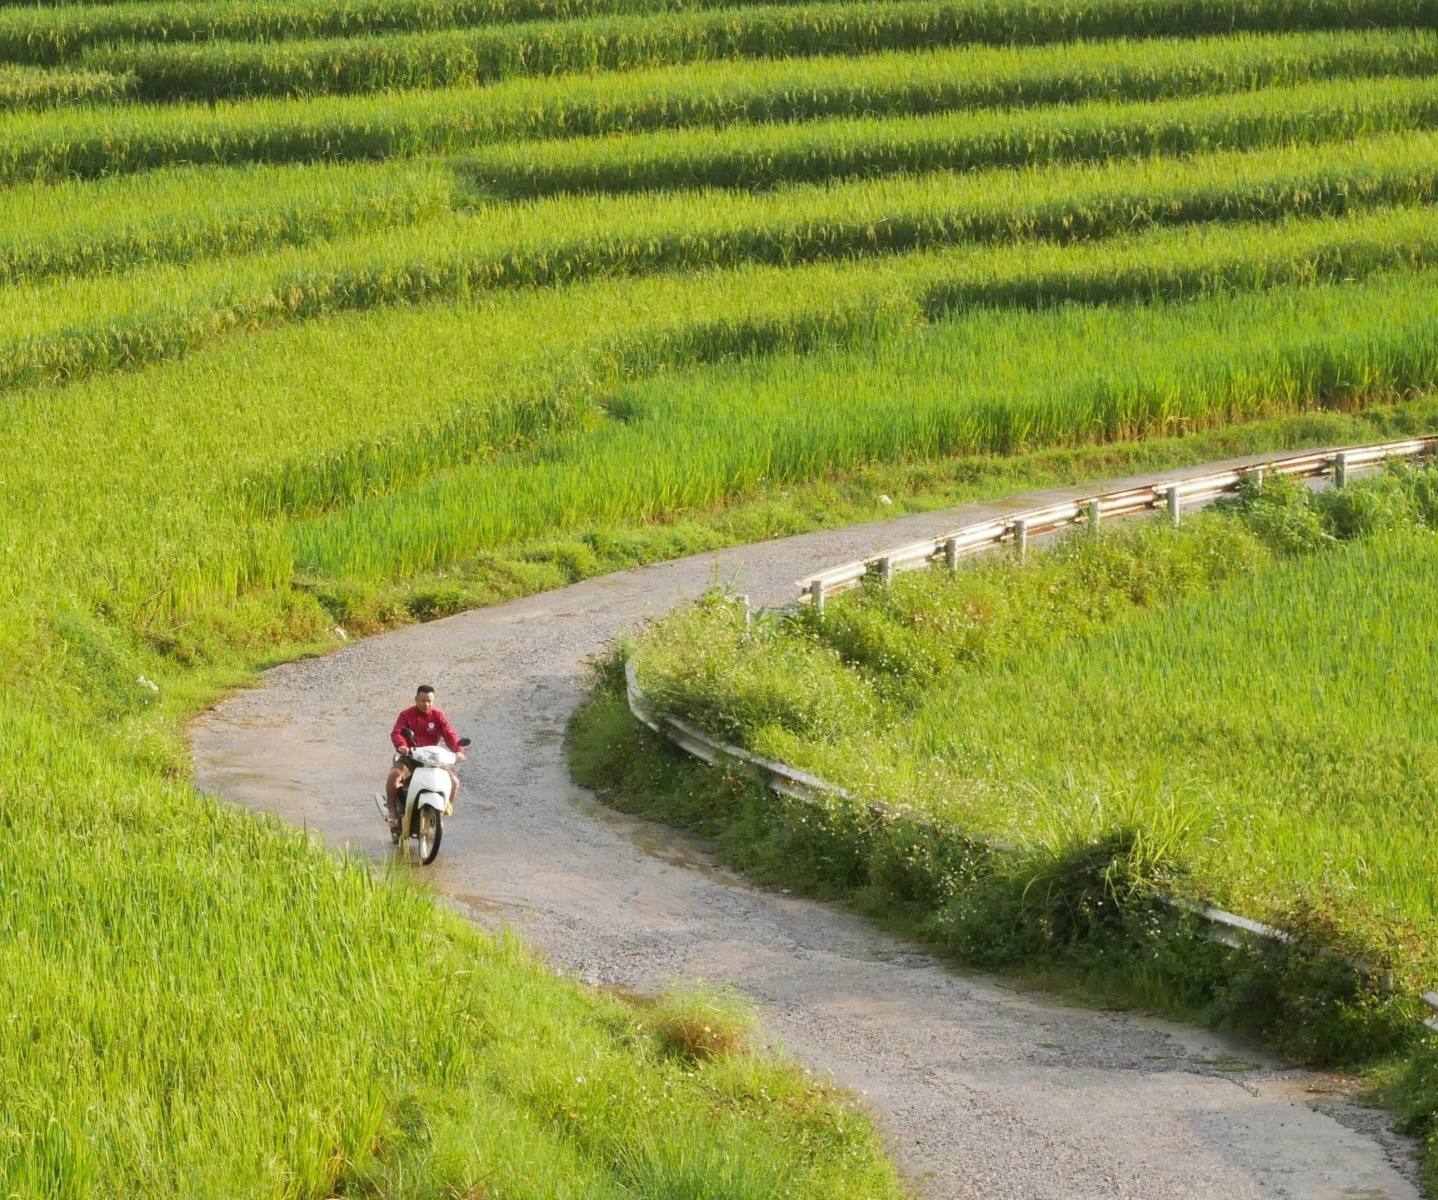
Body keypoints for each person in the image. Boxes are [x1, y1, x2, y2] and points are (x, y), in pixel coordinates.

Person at [385, 684, 466, 832]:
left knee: (454, 782)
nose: (426, 704)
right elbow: (397, 732)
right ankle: (392, 810)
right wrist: (401, 746)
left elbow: (449, 733)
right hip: (411, 757)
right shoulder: (406, 715)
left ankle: (441, 811)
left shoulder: (438, 716)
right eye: (423, 700)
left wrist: (458, 750)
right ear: (416, 699)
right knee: (394, 775)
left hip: (433, 760)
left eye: (429, 701)